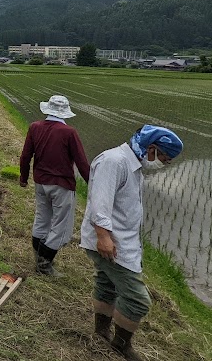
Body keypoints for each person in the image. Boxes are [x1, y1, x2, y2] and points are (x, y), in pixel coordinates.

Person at [80, 125, 183, 360]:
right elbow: (100, 203)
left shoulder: (132, 165)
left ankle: (101, 332)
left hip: (121, 242)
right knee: (138, 300)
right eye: (165, 159)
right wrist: (103, 237)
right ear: (152, 149)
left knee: (107, 284)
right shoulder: (114, 161)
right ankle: (121, 344)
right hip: (110, 243)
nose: (163, 164)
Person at [19, 94, 89, 275]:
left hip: (40, 183)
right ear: (65, 113)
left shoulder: (35, 127)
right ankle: (44, 265)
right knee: (61, 226)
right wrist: (93, 185)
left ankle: (38, 259)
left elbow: (26, 155)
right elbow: (81, 162)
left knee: (42, 219)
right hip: (61, 185)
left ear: (47, 109)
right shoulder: (69, 132)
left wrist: (23, 177)